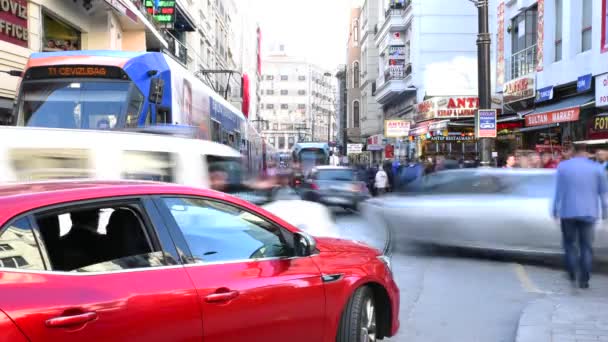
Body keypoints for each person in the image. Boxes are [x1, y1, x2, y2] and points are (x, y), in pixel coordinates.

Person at [552, 143, 608, 289]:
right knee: (586, 247)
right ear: (587, 152)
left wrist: (554, 209)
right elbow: (603, 193)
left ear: (573, 151)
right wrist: (605, 211)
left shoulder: (563, 167)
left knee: (569, 244)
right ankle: (584, 279)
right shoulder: (597, 168)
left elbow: (558, 191)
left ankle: (571, 272)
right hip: (589, 212)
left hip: (568, 212)